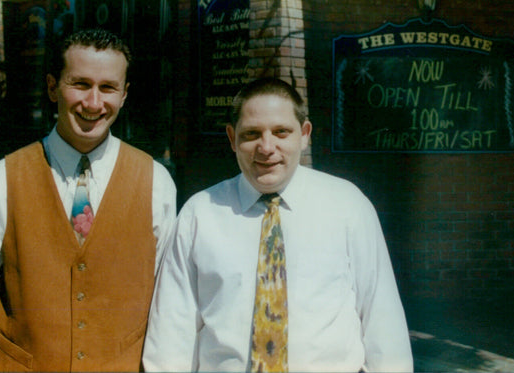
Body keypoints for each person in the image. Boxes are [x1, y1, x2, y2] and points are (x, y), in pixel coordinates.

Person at [143, 77, 413, 372]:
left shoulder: (348, 206)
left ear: (305, 134)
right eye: (251, 134)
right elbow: (171, 333)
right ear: (232, 138)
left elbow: (383, 323)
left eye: (281, 132)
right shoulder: (200, 214)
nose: (266, 147)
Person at [0, 28, 177, 372]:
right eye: (81, 84)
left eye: (108, 88)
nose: (93, 103)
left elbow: (164, 294)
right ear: (51, 87)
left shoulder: (157, 184)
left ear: (125, 94)